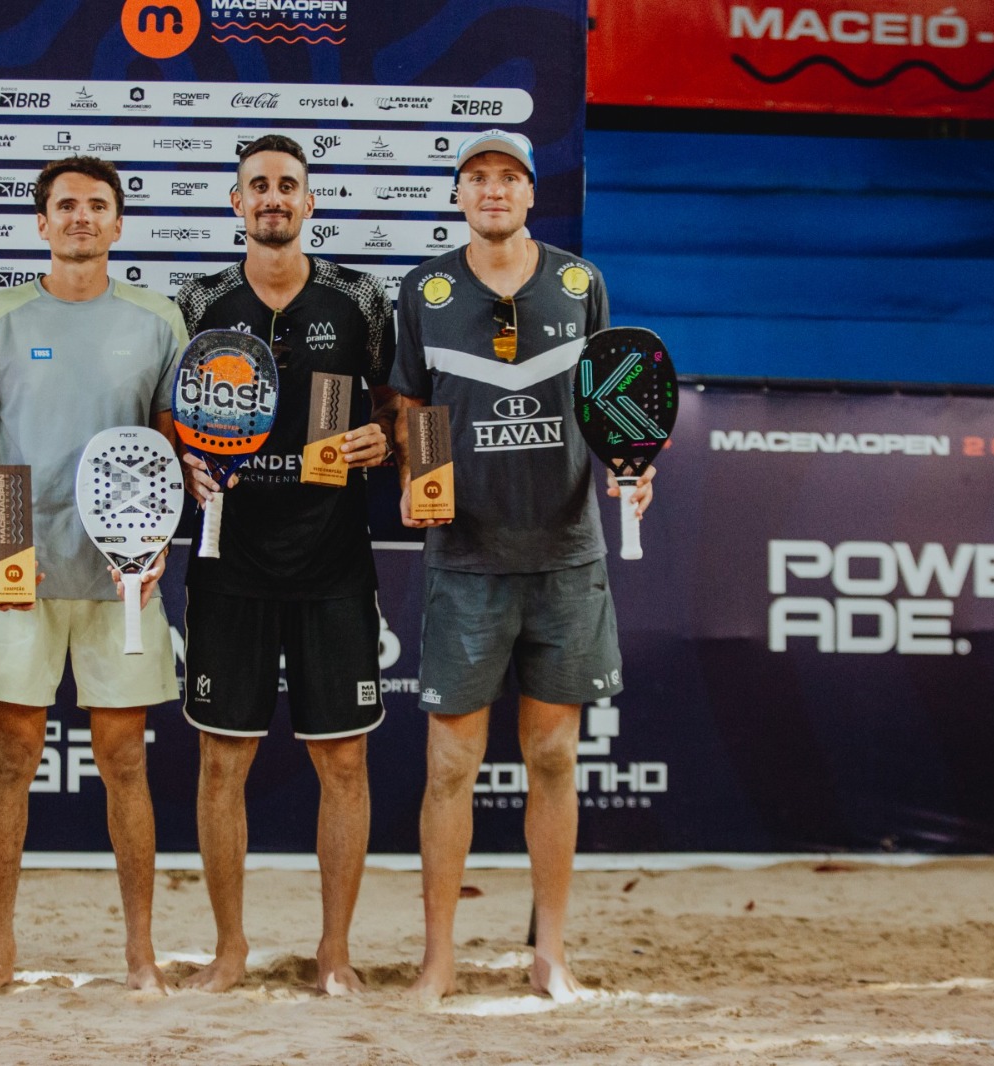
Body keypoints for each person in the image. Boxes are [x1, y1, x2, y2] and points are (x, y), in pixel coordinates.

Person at [389, 130, 656, 1002]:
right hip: (465, 558)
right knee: (448, 770)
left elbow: (615, 398)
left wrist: (631, 466)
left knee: (552, 756)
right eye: (477, 180)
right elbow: (410, 405)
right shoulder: (424, 290)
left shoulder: (581, 282)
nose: (493, 191)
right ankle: (438, 959)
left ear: (531, 195)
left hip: (565, 555)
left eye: (508, 179)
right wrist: (413, 473)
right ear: (458, 197)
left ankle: (550, 956)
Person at [0, 155, 186, 994]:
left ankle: (140, 952)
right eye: (65, 206)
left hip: (126, 578)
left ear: (119, 224)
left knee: (126, 760)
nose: (81, 217)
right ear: (41, 224)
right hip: (22, 566)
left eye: (97, 206)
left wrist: (159, 537)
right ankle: (0, 948)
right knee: (11, 755)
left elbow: (172, 448)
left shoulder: (159, 320)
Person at [171, 135, 394, 995]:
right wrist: (178, 458)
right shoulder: (195, 299)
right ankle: (231, 950)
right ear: (236, 203)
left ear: (310, 201)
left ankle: (334, 952)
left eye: (288, 186)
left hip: (335, 563)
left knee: (343, 764)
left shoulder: (362, 298)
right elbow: (164, 412)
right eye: (258, 185)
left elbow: (405, 410)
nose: (273, 198)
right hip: (229, 561)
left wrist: (391, 439)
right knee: (223, 762)